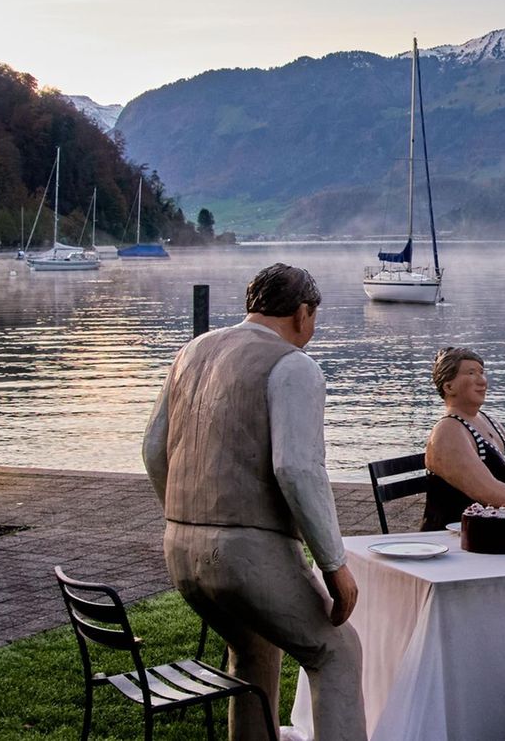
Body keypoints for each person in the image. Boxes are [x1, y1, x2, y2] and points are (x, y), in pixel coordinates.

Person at [142, 263, 365, 741]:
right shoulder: (293, 365)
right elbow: (298, 469)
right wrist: (334, 565)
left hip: (180, 550)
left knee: (254, 647)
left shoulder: (191, 351)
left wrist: (185, 516)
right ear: (303, 313)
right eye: (314, 317)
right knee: (336, 652)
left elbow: (152, 449)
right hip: (247, 554)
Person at [421, 346, 505, 530]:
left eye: (482, 373)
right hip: (463, 538)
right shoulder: (447, 431)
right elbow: (487, 490)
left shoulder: (489, 420)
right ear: (449, 387)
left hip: (503, 529)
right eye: (471, 373)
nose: (482, 381)